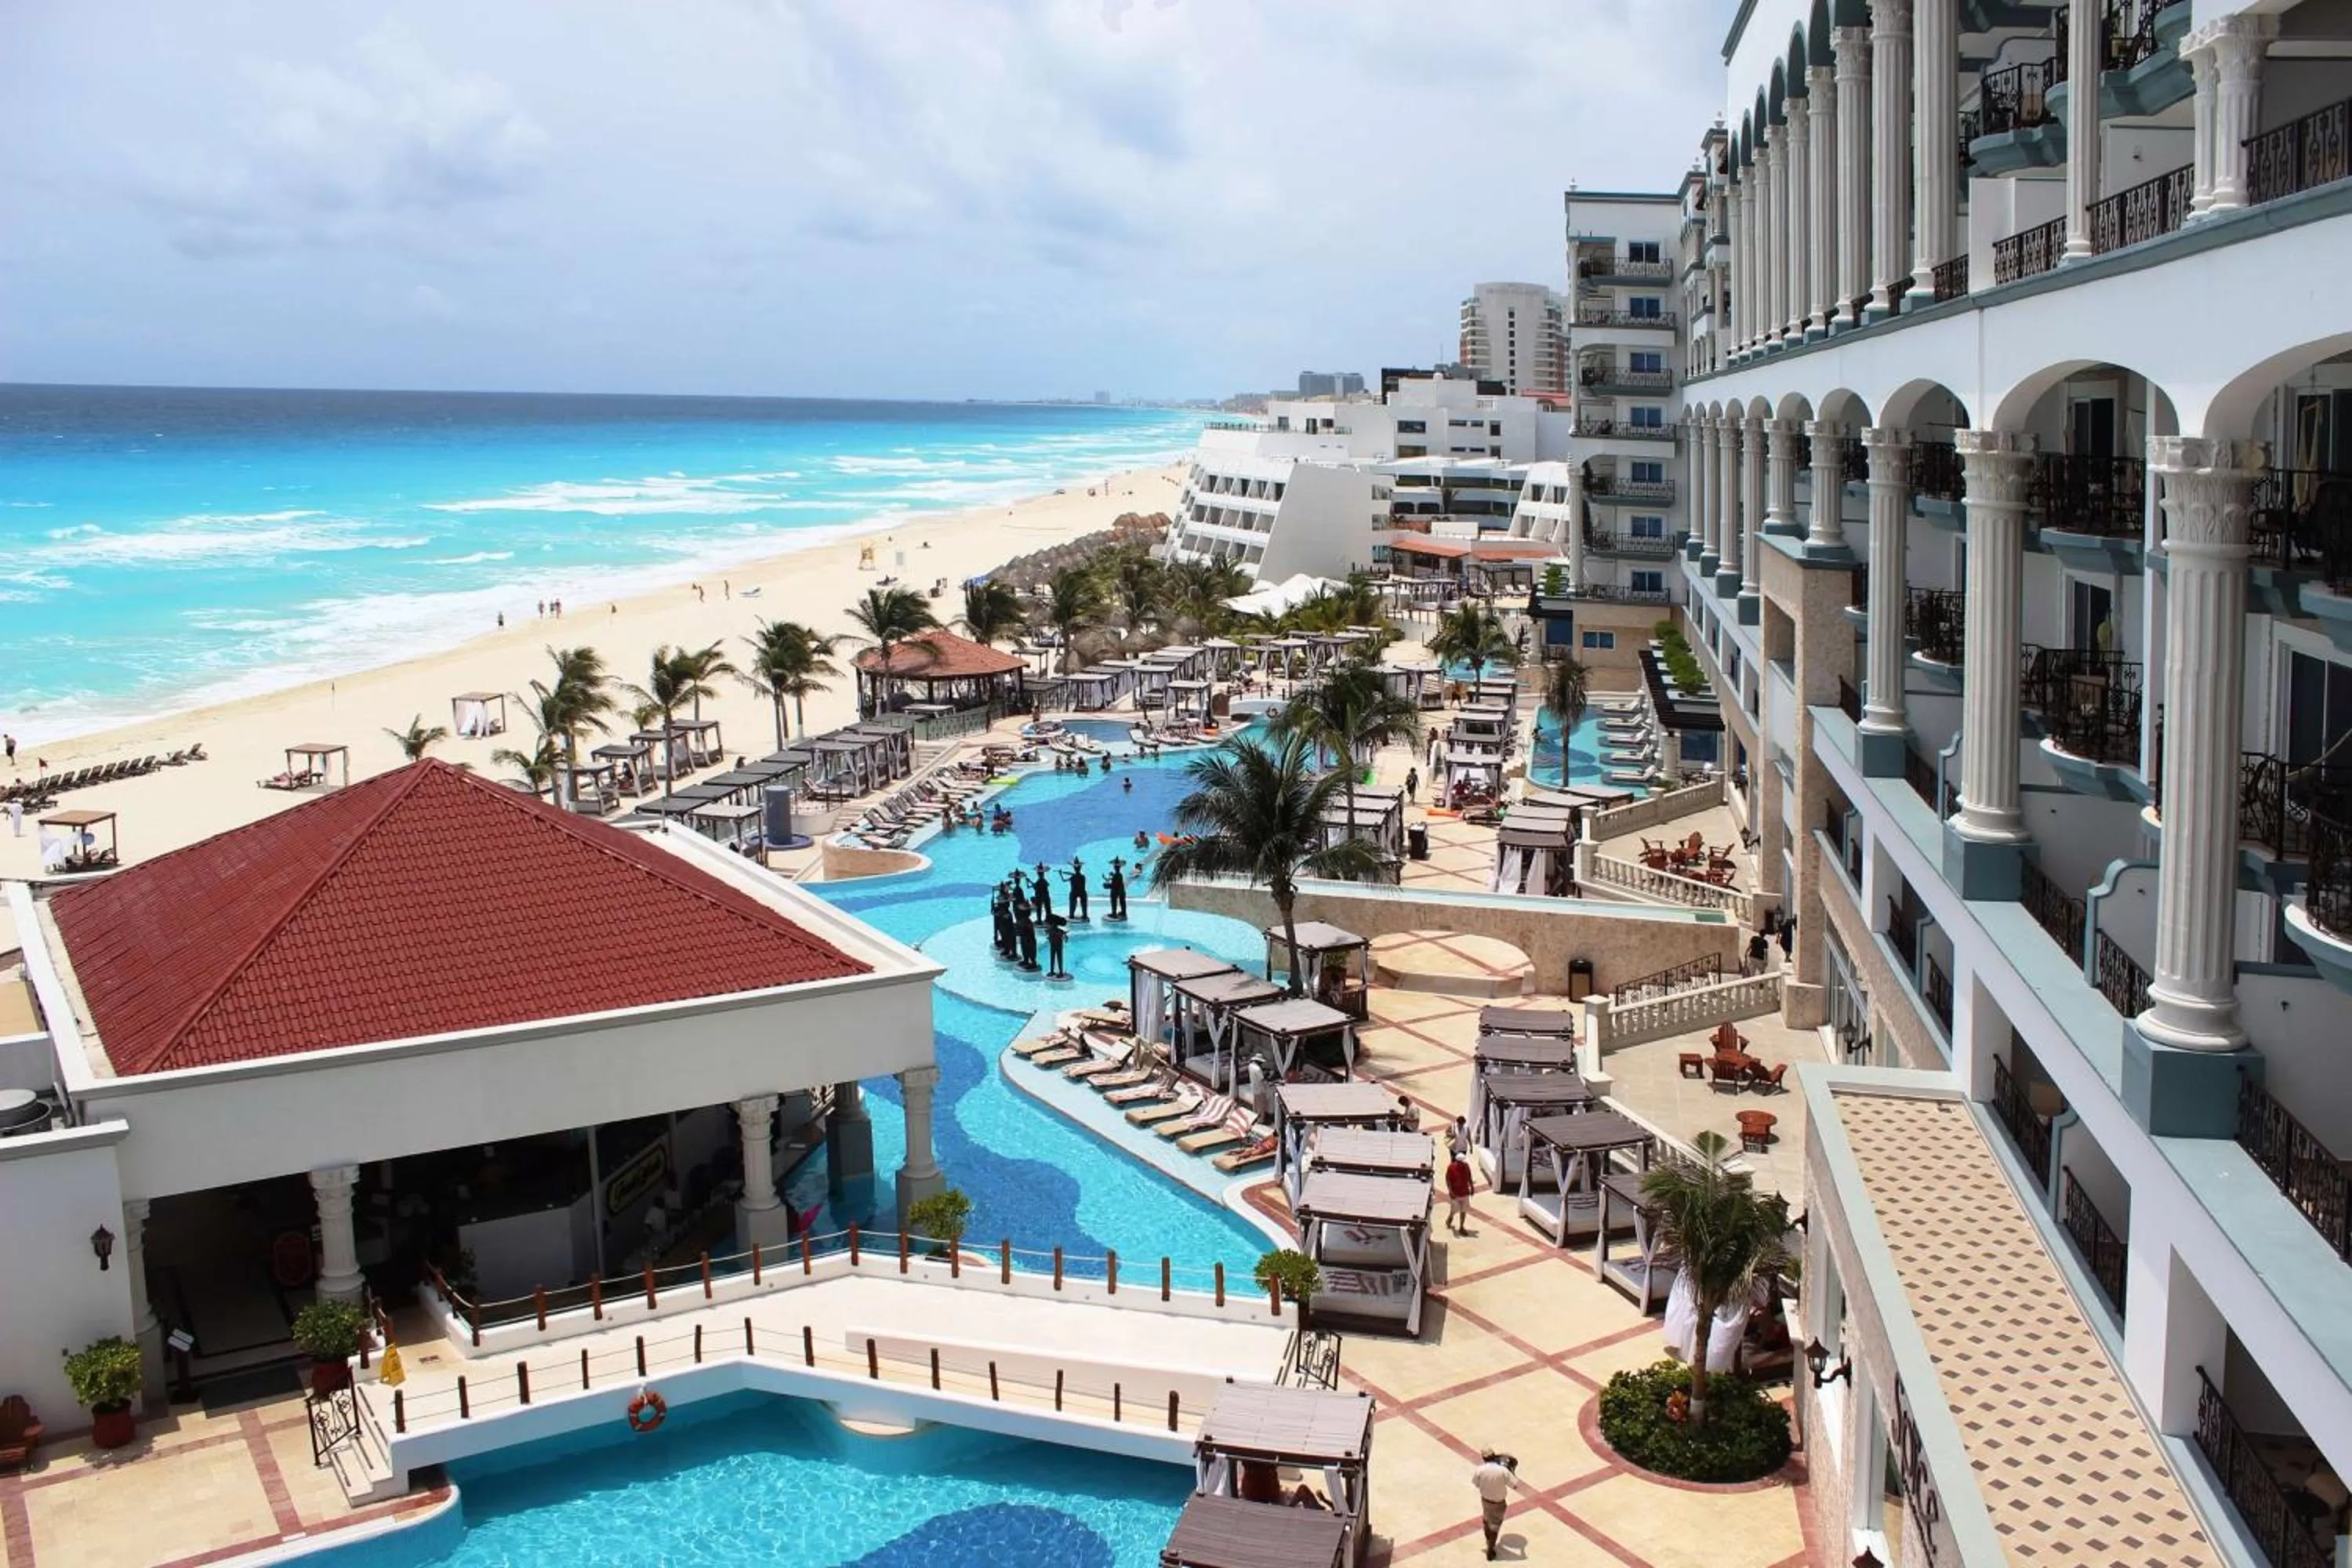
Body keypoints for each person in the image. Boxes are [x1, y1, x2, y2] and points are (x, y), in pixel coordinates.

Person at [1471, 1452, 1517, 1559]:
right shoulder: (1503, 1470)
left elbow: (1476, 1483)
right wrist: (1512, 1471)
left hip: (1486, 1501)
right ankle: (1490, 1550)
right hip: (1499, 1502)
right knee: (1495, 1527)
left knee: (1487, 1521)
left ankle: (1488, 1541)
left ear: (1483, 1458)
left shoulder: (1480, 1470)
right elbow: (1515, 1485)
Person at [1443, 1151, 1475, 1236]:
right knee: (1454, 1209)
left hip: (1465, 1192)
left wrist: (1472, 1187)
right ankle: (1450, 1217)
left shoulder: (1466, 1166)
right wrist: (1450, 1191)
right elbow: (1448, 1180)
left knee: (1463, 1211)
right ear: (1458, 1161)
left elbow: (1469, 1177)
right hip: (1455, 1193)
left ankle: (1461, 1227)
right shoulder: (1451, 1167)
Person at [1065, 856, 1089, 920]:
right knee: (1083, 899)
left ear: (1074, 868)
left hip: (1074, 892)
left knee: (1072, 898)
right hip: (1082, 892)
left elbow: (1065, 881)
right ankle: (1085, 915)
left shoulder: (1073, 877)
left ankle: (1071, 915)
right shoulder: (1083, 877)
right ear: (1080, 868)